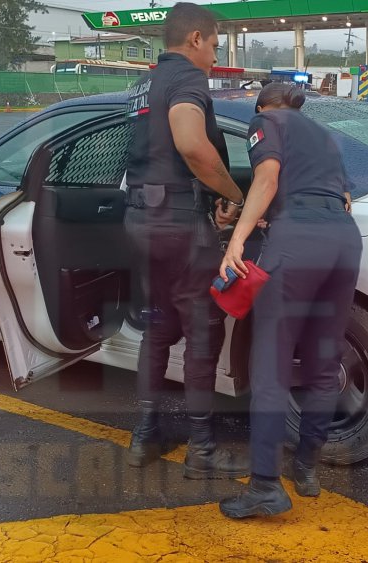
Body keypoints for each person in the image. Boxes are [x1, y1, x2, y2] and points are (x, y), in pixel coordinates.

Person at [217, 84, 363, 518]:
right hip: (343, 240)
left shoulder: (265, 121)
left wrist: (237, 240)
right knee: (323, 361)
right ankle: (306, 467)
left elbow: (268, 177)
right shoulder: (322, 134)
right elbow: (341, 197)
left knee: (270, 365)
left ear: (262, 106)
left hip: (298, 240)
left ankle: (264, 485)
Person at [123, 2, 248, 480]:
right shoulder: (188, 80)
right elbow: (192, 145)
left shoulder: (142, 85)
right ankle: (202, 447)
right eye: (215, 45)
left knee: (156, 329)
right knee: (201, 332)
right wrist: (234, 195)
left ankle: (146, 434)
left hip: (140, 221)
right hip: (179, 225)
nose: (216, 56)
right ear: (196, 38)